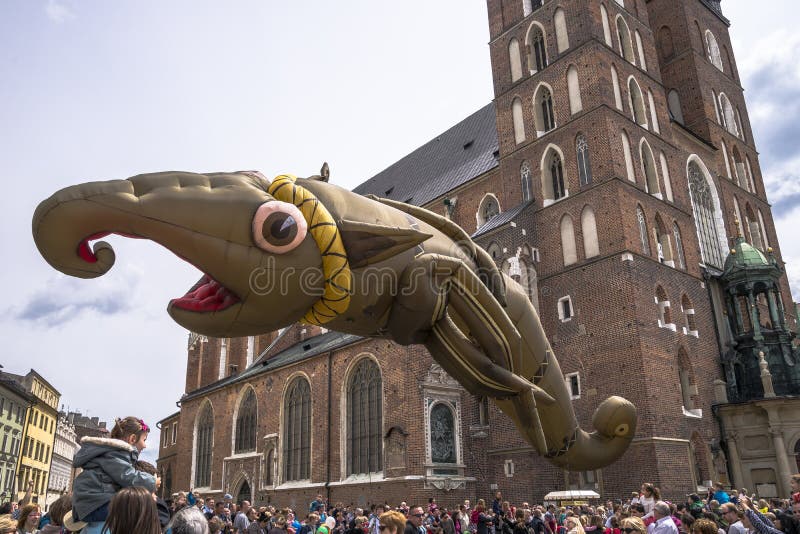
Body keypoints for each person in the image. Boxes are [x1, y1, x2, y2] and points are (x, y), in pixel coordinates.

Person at [71, 416, 157, 529]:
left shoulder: (110, 453)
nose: (145, 445)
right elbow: (128, 477)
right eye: (144, 440)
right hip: (96, 504)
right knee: (138, 508)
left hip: (91, 503)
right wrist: (152, 481)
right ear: (132, 439)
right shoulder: (116, 454)